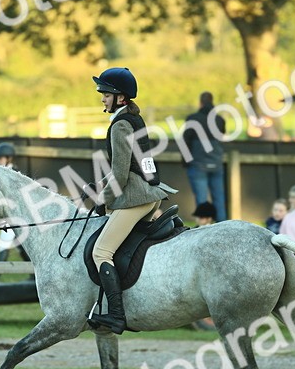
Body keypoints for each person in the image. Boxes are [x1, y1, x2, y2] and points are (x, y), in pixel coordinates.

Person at [85, 67, 178, 334]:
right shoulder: (133, 120)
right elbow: (133, 167)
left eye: (105, 94)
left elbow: (120, 174)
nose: (102, 98)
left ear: (120, 97)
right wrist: (97, 187)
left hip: (136, 198)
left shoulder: (121, 125)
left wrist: (102, 199)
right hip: (150, 192)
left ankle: (115, 315)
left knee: (101, 251)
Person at [0, 142, 30, 284]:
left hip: (16, 216)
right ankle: (34, 274)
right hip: (10, 216)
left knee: (4, 244)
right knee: (21, 246)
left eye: (0, 158)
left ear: (8, 158)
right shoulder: (2, 173)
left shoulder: (13, 174)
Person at [183, 91, 226, 221]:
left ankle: (203, 231)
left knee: (201, 200)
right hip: (216, 164)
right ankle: (223, 228)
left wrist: (186, 162)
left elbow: (185, 141)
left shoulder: (192, 119)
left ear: (200, 103)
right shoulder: (219, 120)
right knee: (219, 199)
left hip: (198, 165)